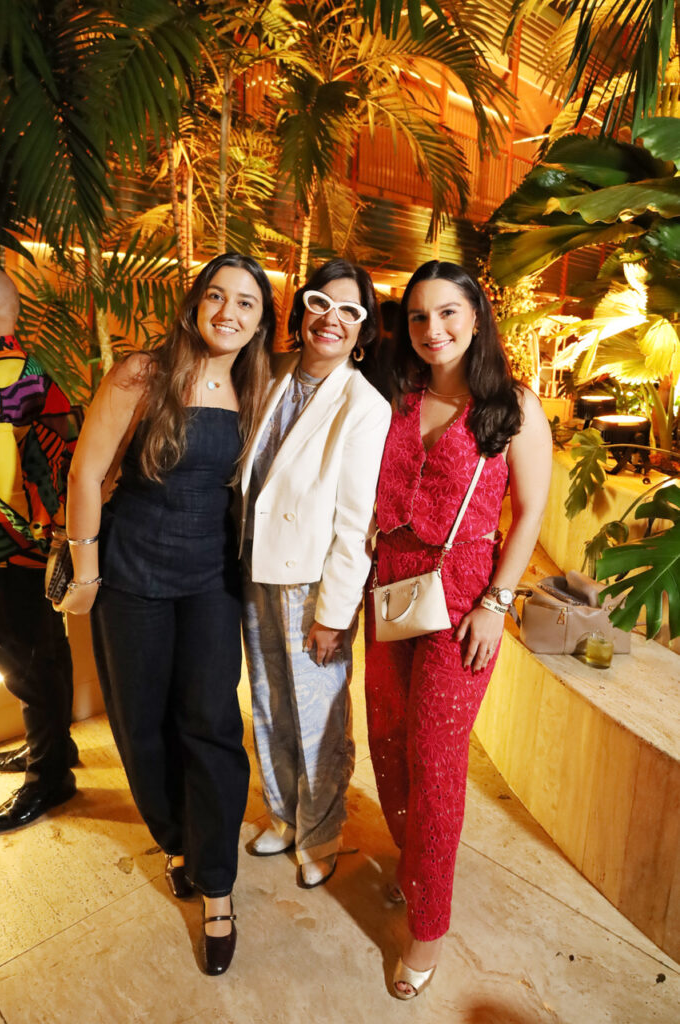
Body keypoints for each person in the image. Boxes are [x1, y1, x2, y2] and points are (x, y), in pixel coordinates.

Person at [56, 253, 276, 976]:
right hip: (131, 571)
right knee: (140, 721)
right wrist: (86, 569)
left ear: (260, 322)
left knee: (211, 723)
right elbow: (87, 470)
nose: (228, 312)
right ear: (194, 303)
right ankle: (175, 838)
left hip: (212, 576)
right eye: (216, 295)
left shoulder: (257, 387)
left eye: (246, 302)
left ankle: (217, 883)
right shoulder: (143, 374)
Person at [364, 260, 552, 999]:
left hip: (464, 591)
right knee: (386, 732)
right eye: (418, 316)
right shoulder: (398, 395)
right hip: (389, 585)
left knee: (436, 757)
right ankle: (414, 863)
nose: (432, 328)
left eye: (447, 312)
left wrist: (495, 604)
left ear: (476, 316)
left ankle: (429, 928)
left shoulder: (512, 406)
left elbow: (529, 511)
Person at [241, 258, 391, 888]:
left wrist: (334, 613)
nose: (332, 319)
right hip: (254, 566)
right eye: (320, 303)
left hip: (311, 582)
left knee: (318, 718)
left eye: (349, 311)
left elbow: (357, 523)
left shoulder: (365, 405)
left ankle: (322, 833)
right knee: (269, 703)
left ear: (363, 330)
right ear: (301, 309)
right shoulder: (270, 373)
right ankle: (283, 815)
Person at [0, 268, 80, 833]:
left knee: (28, 662)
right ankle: (53, 749)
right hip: (27, 543)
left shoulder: (15, 375)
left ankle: (49, 775)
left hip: (14, 547)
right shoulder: (27, 371)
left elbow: (56, 458)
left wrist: (52, 536)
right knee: (44, 651)